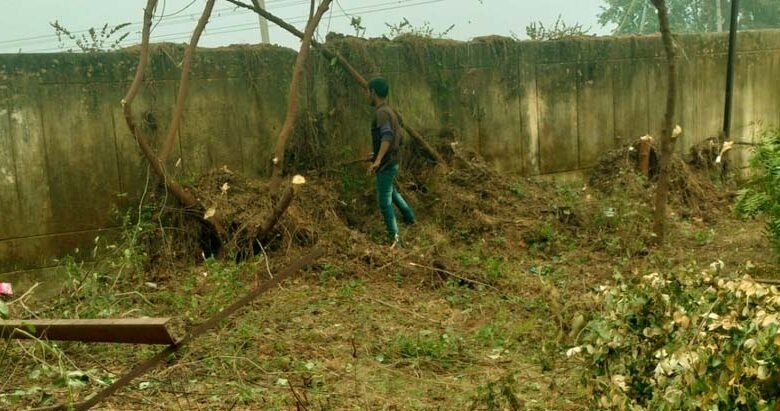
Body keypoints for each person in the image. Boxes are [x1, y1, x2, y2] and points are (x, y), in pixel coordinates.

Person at [366, 77, 416, 248]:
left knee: (384, 202)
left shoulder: (381, 113)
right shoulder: (390, 111)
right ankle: (410, 219)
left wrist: (378, 159)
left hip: (386, 163)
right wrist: (376, 153)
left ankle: (396, 241)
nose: (367, 96)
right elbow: (397, 137)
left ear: (373, 92)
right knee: (392, 193)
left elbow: (387, 136)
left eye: (368, 92)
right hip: (392, 160)